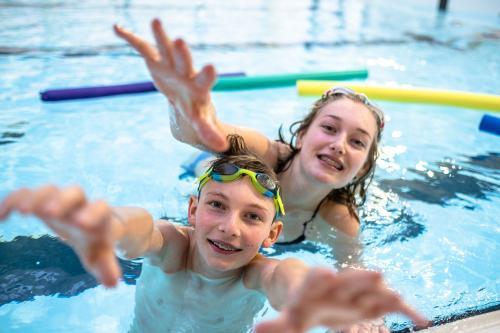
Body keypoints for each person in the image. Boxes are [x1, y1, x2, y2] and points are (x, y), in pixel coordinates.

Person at [0, 136, 427, 333]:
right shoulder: (175, 247)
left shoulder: (255, 274)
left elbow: (288, 279)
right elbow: (142, 230)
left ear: (272, 233)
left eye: (253, 218)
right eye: (217, 206)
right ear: (193, 210)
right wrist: (107, 225)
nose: (229, 228)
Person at [113, 19, 384, 261]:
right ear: (300, 136)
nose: (339, 145)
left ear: (362, 168)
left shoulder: (340, 218)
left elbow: (355, 273)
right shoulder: (266, 154)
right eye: (329, 128)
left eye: (358, 142)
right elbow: (199, 133)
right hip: (197, 166)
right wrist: (184, 104)